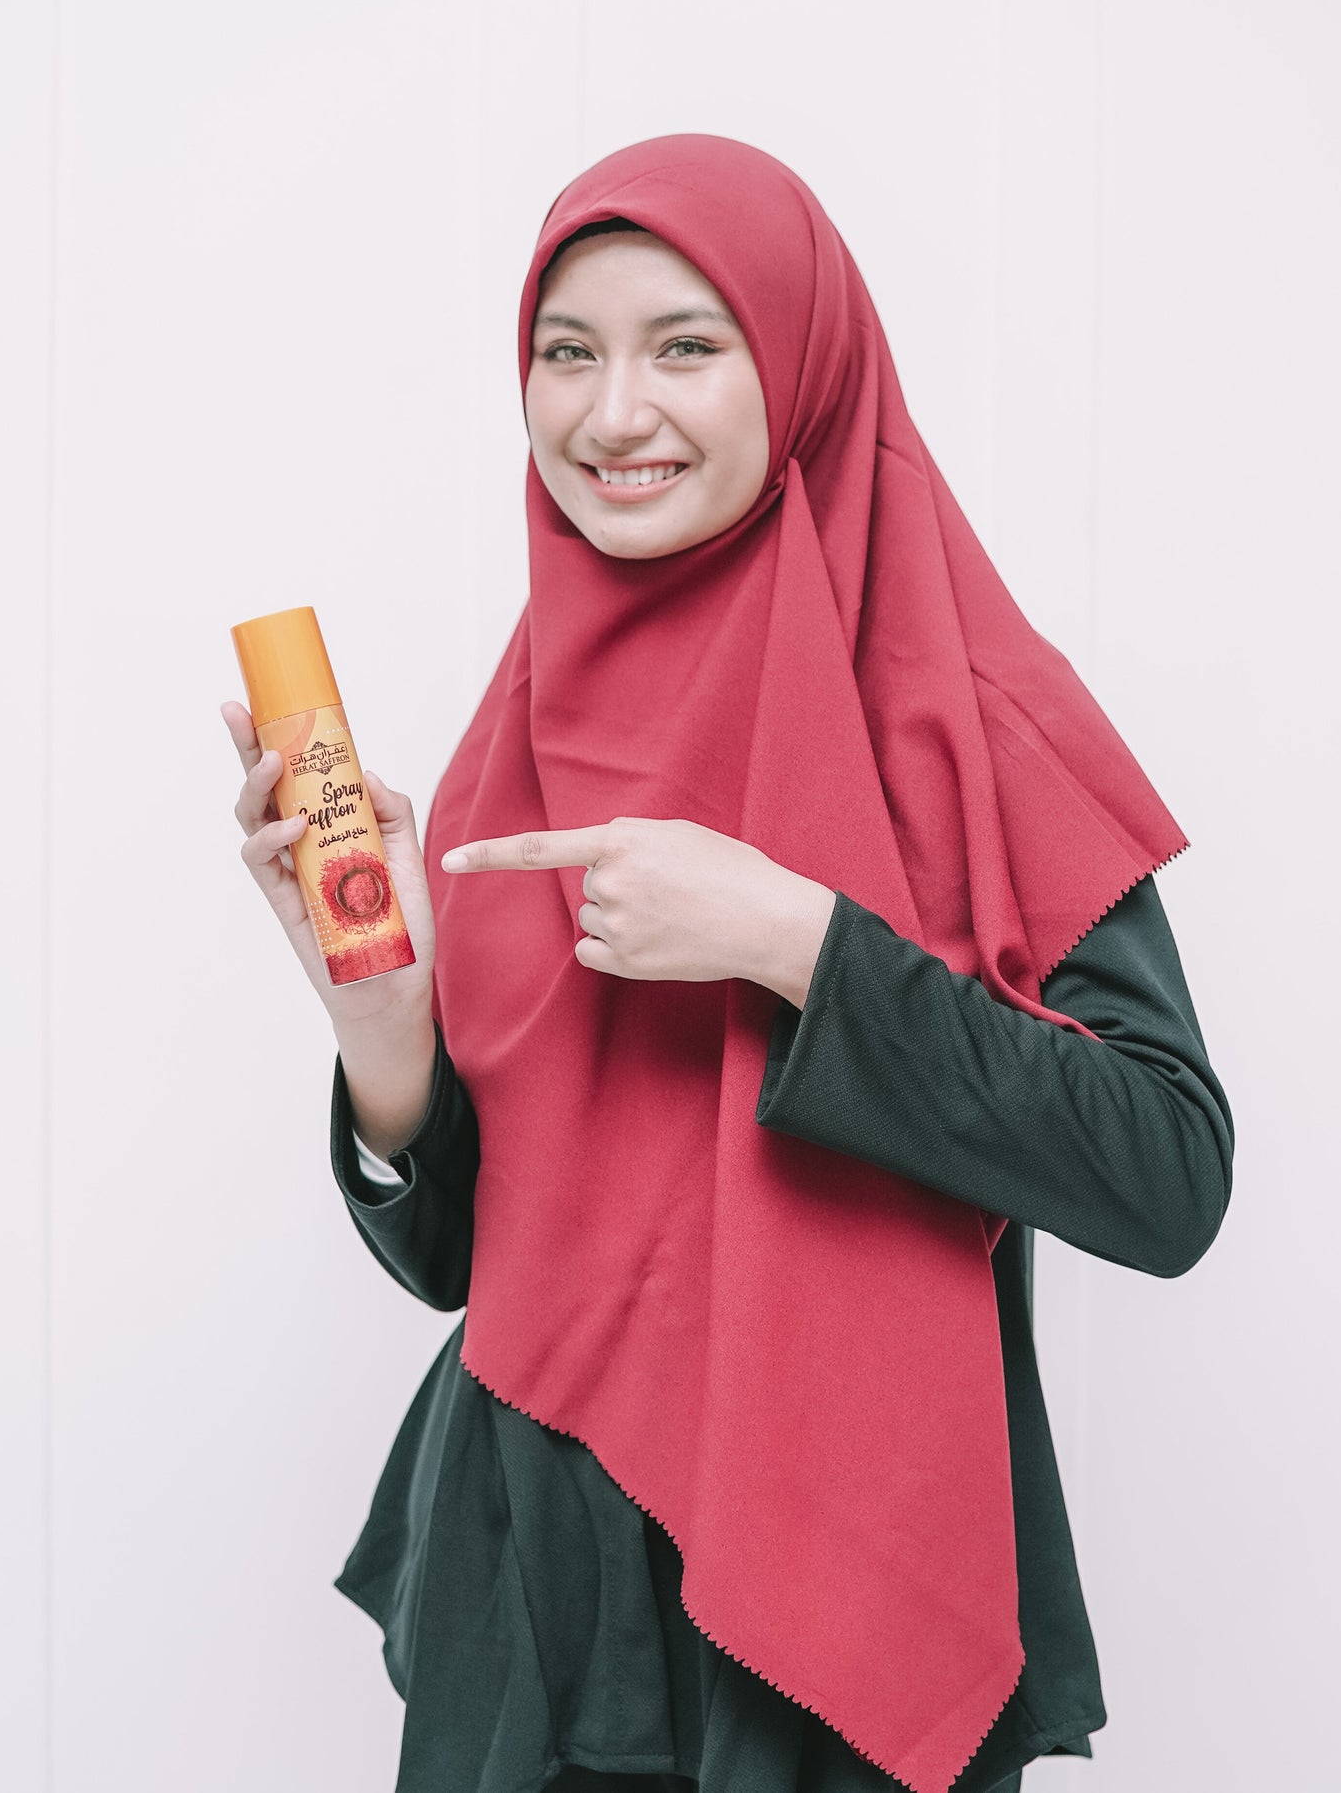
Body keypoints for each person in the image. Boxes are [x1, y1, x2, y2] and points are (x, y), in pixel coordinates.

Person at [221, 135, 1234, 1793]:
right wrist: (386, 1031)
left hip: (830, 1606)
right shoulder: (520, 728)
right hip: (530, 1597)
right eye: (567, 351)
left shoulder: (974, 716)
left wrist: (797, 943)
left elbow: (1166, 1170)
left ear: (805, 367)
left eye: (686, 345)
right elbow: (473, 1258)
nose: (613, 412)